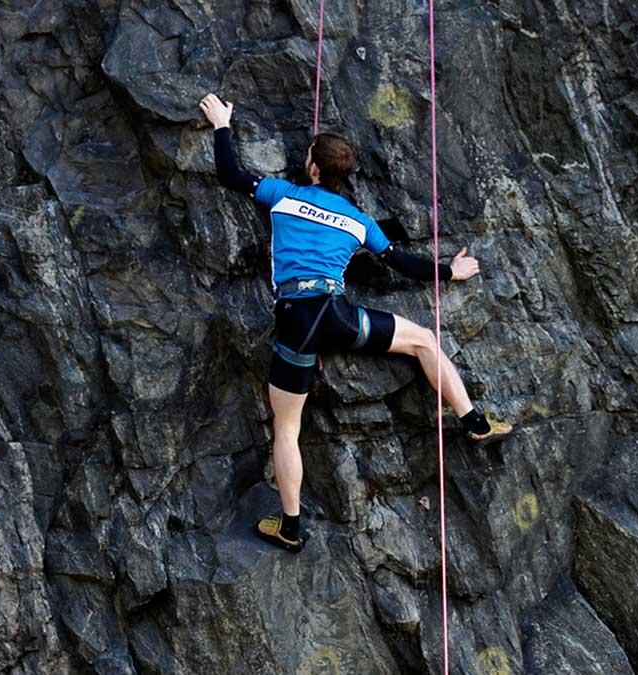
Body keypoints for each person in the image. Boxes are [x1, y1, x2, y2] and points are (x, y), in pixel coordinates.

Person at [198, 93, 513, 553]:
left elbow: (230, 174)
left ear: (313, 170)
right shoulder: (360, 221)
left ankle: (291, 525)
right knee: (424, 340)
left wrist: (222, 124)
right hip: (340, 318)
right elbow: (400, 262)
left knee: (288, 430)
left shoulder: (282, 196)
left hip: (297, 321)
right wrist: (450, 270)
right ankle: (474, 421)